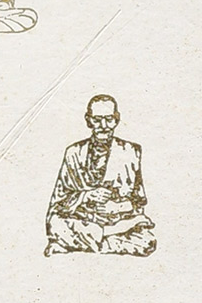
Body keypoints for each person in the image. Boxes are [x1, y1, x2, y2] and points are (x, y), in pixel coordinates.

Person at [44, 95, 156, 257]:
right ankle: (108, 237)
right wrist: (86, 196)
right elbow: (58, 204)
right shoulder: (73, 152)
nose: (103, 126)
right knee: (56, 225)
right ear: (88, 120)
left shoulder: (131, 151)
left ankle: (87, 242)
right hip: (84, 220)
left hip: (118, 219)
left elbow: (138, 202)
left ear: (116, 120)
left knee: (147, 241)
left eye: (109, 119)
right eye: (97, 120)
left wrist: (118, 207)